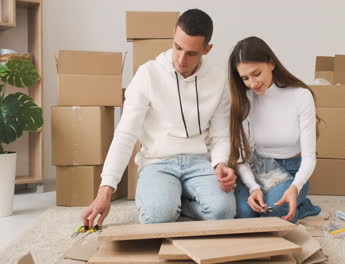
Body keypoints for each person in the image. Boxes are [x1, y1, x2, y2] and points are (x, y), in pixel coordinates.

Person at [81, 9, 236, 227]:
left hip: (199, 162)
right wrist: (105, 191)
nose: (181, 59)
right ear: (173, 36)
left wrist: (220, 163)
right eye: (177, 47)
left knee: (224, 212)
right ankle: (167, 201)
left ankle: (177, 202)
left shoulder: (218, 80)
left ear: (207, 49)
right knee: (157, 217)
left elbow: (221, 135)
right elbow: (126, 133)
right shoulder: (147, 74)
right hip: (158, 163)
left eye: (191, 53)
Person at [227, 36, 321, 223]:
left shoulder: (300, 96)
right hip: (258, 168)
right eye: (245, 78)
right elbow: (241, 156)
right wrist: (253, 187)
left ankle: (302, 204)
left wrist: (295, 187)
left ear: (271, 63)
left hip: (292, 171)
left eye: (256, 73)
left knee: (272, 212)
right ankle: (290, 206)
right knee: (244, 214)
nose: (253, 84)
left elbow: (310, 156)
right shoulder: (245, 99)